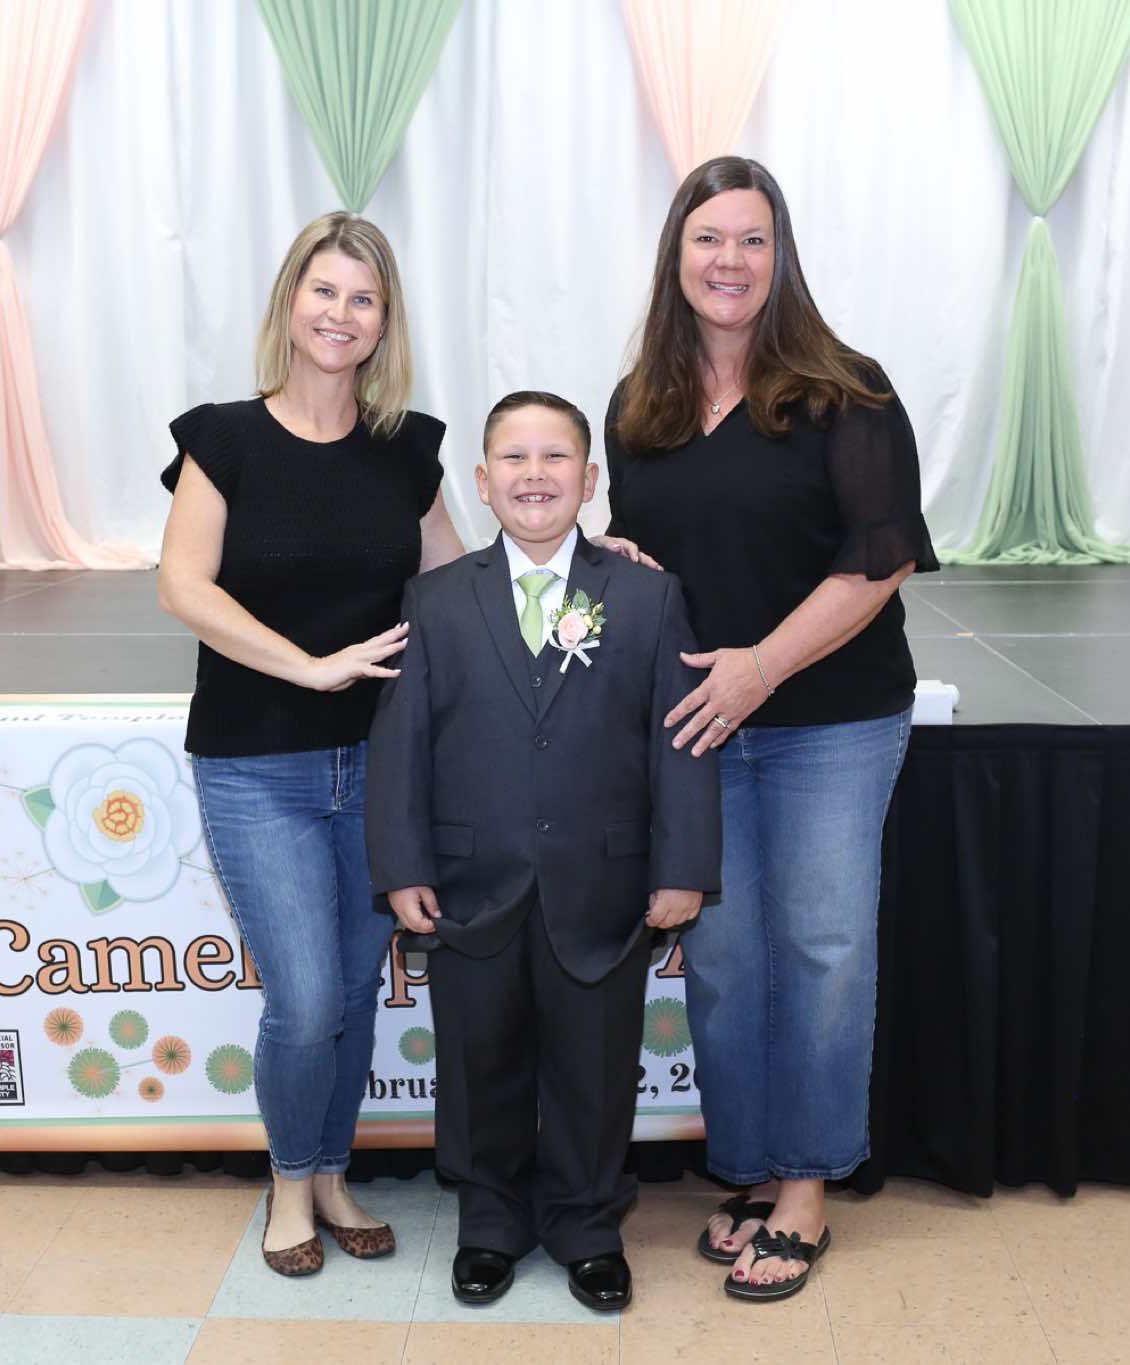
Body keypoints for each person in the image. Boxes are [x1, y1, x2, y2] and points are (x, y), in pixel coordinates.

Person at [601, 156, 940, 1302]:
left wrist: (761, 668)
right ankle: (747, 1165)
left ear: (779, 256)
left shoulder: (845, 391)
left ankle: (804, 1183)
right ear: (676, 256)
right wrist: (621, 566)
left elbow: (879, 561)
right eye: (708, 239)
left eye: (751, 239)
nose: (729, 261)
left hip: (827, 721)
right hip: (700, 724)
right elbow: (652, 549)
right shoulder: (640, 403)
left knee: (822, 950)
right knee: (725, 959)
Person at [157, 212, 464, 1277]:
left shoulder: (408, 450)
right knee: (305, 1000)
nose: (341, 314)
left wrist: (581, 557)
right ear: (291, 301)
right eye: (324, 291)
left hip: (379, 768)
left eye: (363, 299)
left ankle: (332, 1174)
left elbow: (454, 588)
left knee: (354, 990)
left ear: (385, 322)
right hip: (257, 765)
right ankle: (289, 1184)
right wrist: (308, 665)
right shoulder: (222, 439)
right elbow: (182, 586)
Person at [366, 391, 721, 1312]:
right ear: (481, 483)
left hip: (603, 882)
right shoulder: (435, 598)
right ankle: (489, 1222)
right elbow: (402, 743)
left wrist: (683, 866)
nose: (535, 474)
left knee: (594, 1065)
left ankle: (587, 1224)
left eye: (555, 457)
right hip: (470, 884)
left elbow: (677, 738)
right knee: (478, 1062)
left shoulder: (646, 595)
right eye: (513, 459)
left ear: (590, 478)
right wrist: (402, 864)